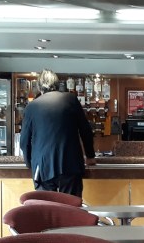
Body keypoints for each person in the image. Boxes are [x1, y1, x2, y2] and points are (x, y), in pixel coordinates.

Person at [19, 69, 96, 198]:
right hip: (70, 163)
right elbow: (85, 130)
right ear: (57, 84)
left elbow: (24, 141)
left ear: (39, 87)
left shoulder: (32, 107)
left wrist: (29, 163)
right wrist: (90, 155)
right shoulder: (71, 100)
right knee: (71, 206)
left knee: (47, 207)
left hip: (43, 166)